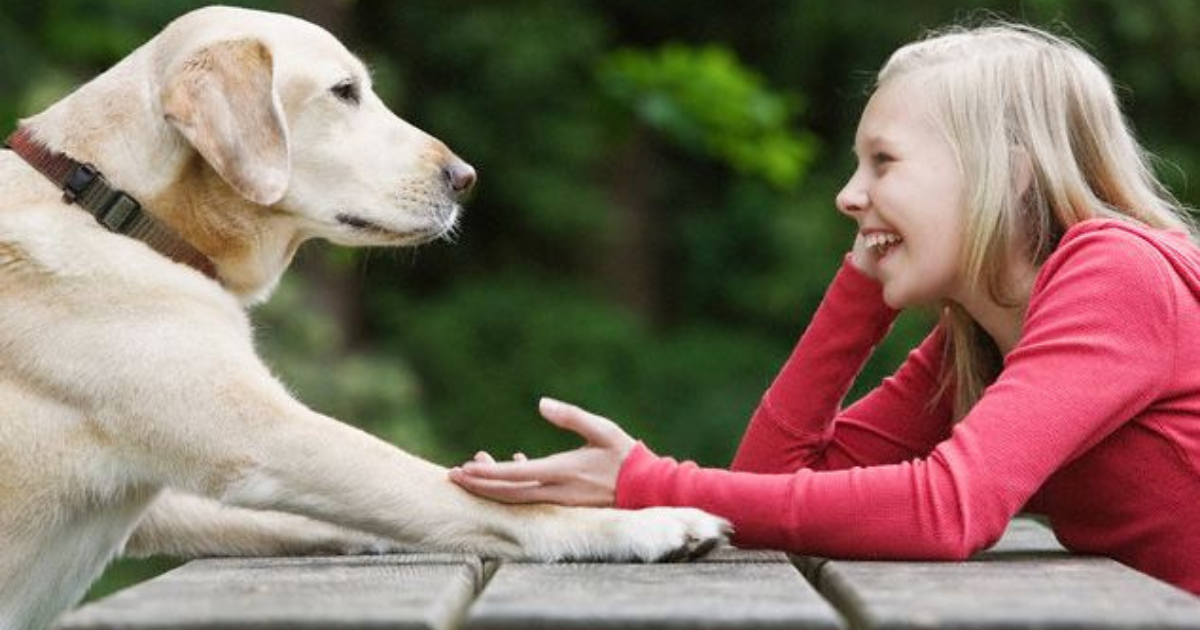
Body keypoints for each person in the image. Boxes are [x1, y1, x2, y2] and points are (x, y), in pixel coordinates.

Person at [448, 22, 1200, 595]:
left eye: (884, 161)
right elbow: (773, 483)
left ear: (1007, 170)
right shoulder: (979, 336)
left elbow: (948, 509)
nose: (848, 194)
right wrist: (862, 290)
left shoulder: (1117, 273)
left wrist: (643, 483)